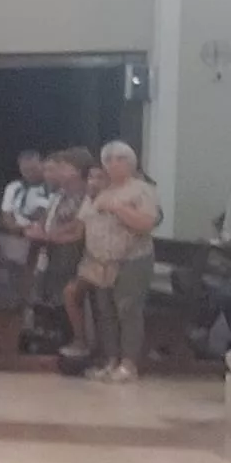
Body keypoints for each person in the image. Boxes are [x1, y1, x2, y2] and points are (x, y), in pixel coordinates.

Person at [77, 141, 160, 383]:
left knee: (128, 310)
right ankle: (110, 361)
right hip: (100, 262)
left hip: (132, 259)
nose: (114, 163)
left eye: (120, 158)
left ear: (131, 162)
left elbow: (146, 223)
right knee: (105, 313)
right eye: (109, 159)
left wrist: (117, 207)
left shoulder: (141, 190)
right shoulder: (101, 190)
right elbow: (85, 221)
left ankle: (129, 364)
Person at [27, 148, 92, 354]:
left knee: (65, 292)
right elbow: (47, 217)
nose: (58, 171)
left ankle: (73, 337)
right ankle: (49, 335)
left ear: (77, 170)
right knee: (47, 290)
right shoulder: (60, 194)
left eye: (64, 167)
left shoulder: (85, 195)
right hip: (52, 251)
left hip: (72, 252)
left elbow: (78, 225)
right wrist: (39, 228)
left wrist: (50, 235)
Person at [0, 148, 53, 306]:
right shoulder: (14, 188)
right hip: (19, 237)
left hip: (48, 239)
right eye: (25, 170)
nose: (29, 173)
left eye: (33, 169)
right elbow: (6, 215)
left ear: (41, 165)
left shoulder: (54, 188)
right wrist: (19, 229)